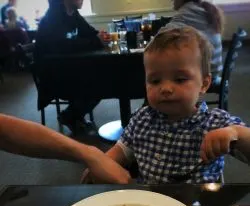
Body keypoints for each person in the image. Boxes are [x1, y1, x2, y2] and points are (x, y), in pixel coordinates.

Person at [84, 27, 250, 184]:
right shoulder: (142, 119)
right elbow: (122, 150)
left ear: (204, 84)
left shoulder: (216, 123)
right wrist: (100, 162)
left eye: (180, 79)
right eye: (155, 81)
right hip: (152, 204)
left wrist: (235, 132)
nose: (165, 88)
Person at [36, 0, 106, 133]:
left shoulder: (74, 15)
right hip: (52, 76)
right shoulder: (52, 18)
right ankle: (70, 116)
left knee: (104, 78)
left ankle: (74, 116)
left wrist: (100, 35)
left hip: (67, 69)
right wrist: (95, 41)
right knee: (99, 83)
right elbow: (63, 45)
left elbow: (89, 32)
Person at [0, 114, 131, 184]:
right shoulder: (140, 121)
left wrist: (92, 155)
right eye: (151, 81)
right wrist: (96, 156)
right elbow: (125, 145)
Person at [165, 0, 224, 82]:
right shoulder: (203, 8)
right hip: (214, 68)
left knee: (160, 69)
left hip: (205, 73)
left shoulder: (187, 12)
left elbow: (160, 37)